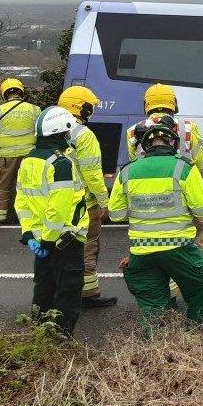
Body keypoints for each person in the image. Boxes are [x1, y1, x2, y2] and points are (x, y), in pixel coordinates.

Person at [109, 119, 203, 334]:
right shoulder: (184, 168)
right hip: (180, 248)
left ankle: (156, 349)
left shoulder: (127, 171)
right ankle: (201, 337)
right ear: (173, 143)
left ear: (144, 146)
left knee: (153, 306)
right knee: (202, 283)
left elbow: (116, 214)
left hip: (141, 252)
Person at [126, 84, 203, 301]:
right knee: (193, 243)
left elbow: (135, 163)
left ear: (147, 104)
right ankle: (193, 291)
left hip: (148, 200)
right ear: (174, 103)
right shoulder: (189, 128)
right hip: (186, 194)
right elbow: (199, 159)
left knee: (154, 248)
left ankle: (164, 296)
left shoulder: (134, 130)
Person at [14, 106, 89, 335]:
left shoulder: (29, 161)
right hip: (64, 240)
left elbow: (22, 201)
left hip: (40, 242)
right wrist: (48, 239)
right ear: (61, 133)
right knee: (68, 290)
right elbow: (59, 210)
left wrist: (29, 235)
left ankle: (39, 334)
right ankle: (60, 339)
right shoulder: (61, 164)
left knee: (44, 289)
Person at [57, 85, 116, 308]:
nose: (91, 112)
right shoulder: (84, 135)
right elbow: (92, 173)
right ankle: (88, 293)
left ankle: (59, 291)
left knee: (59, 248)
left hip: (56, 203)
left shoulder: (47, 130)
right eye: (89, 107)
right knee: (88, 245)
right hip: (84, 204)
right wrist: (104, 201)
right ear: (79, 107)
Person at [0, 78, 41, 222]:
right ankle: (29, 218)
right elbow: (42, 132)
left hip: (5, 158)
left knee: (0, 186)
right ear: (21, 92)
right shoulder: (35, 110)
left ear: (4, 94)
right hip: (30, 156)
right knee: (30, 186)